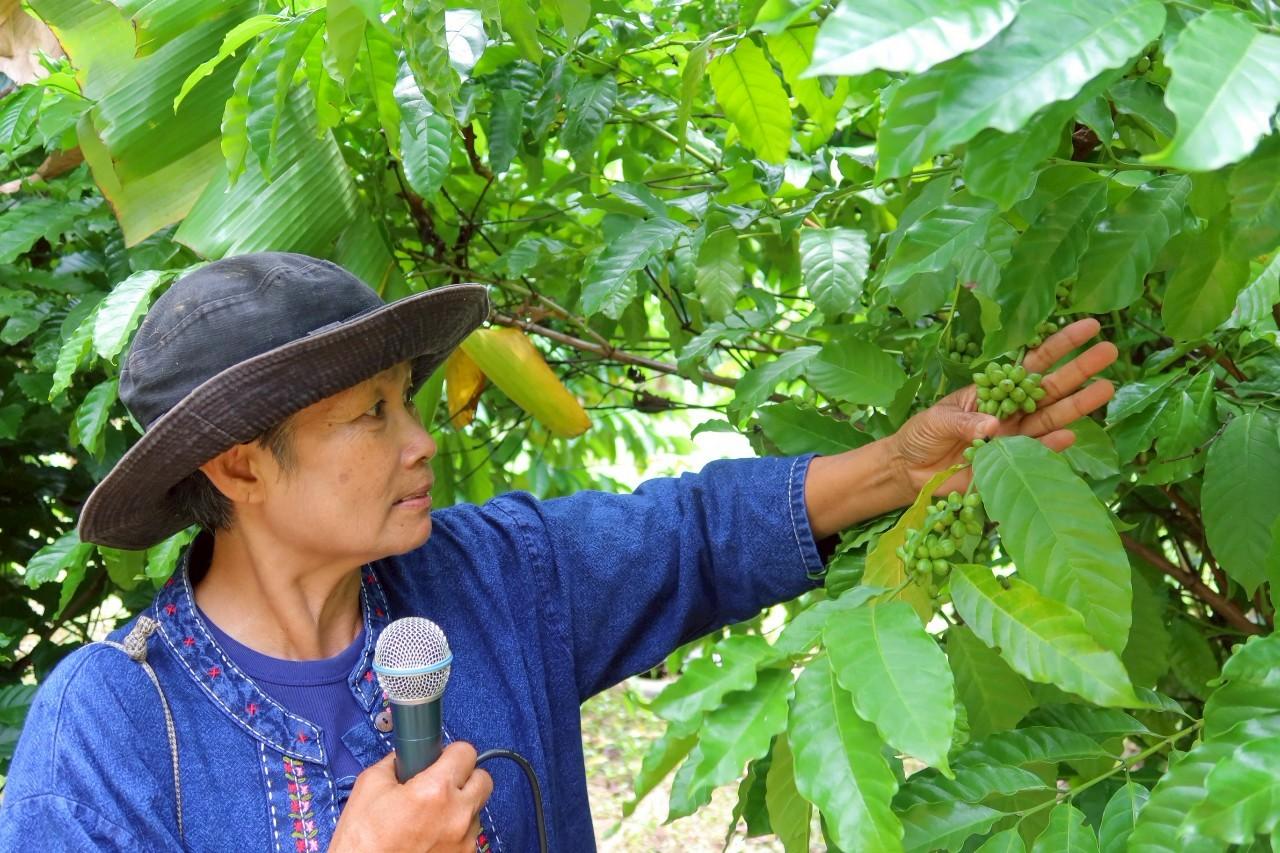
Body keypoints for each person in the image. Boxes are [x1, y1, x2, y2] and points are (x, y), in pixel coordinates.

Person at [0, 252, 1116, 851]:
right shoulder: (109, 729)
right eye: (371, 415)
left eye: (409, 401)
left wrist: (902, 464)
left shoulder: (486, 577)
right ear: (240, 468)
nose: (420, 442)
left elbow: (688, 535)